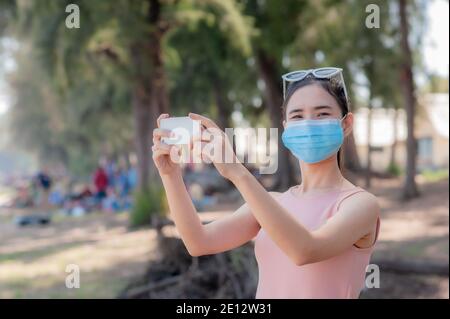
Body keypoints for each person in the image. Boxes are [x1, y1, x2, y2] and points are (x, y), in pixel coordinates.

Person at [151, 67, 380, 299]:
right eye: (297, 116)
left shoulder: (360, 204)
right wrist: (170, 175)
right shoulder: (271, 202)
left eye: (322, 114)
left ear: (346, 124)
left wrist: (237, 172)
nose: (308, 124)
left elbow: (304, 250)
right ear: (285, 126)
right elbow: (198, 241)